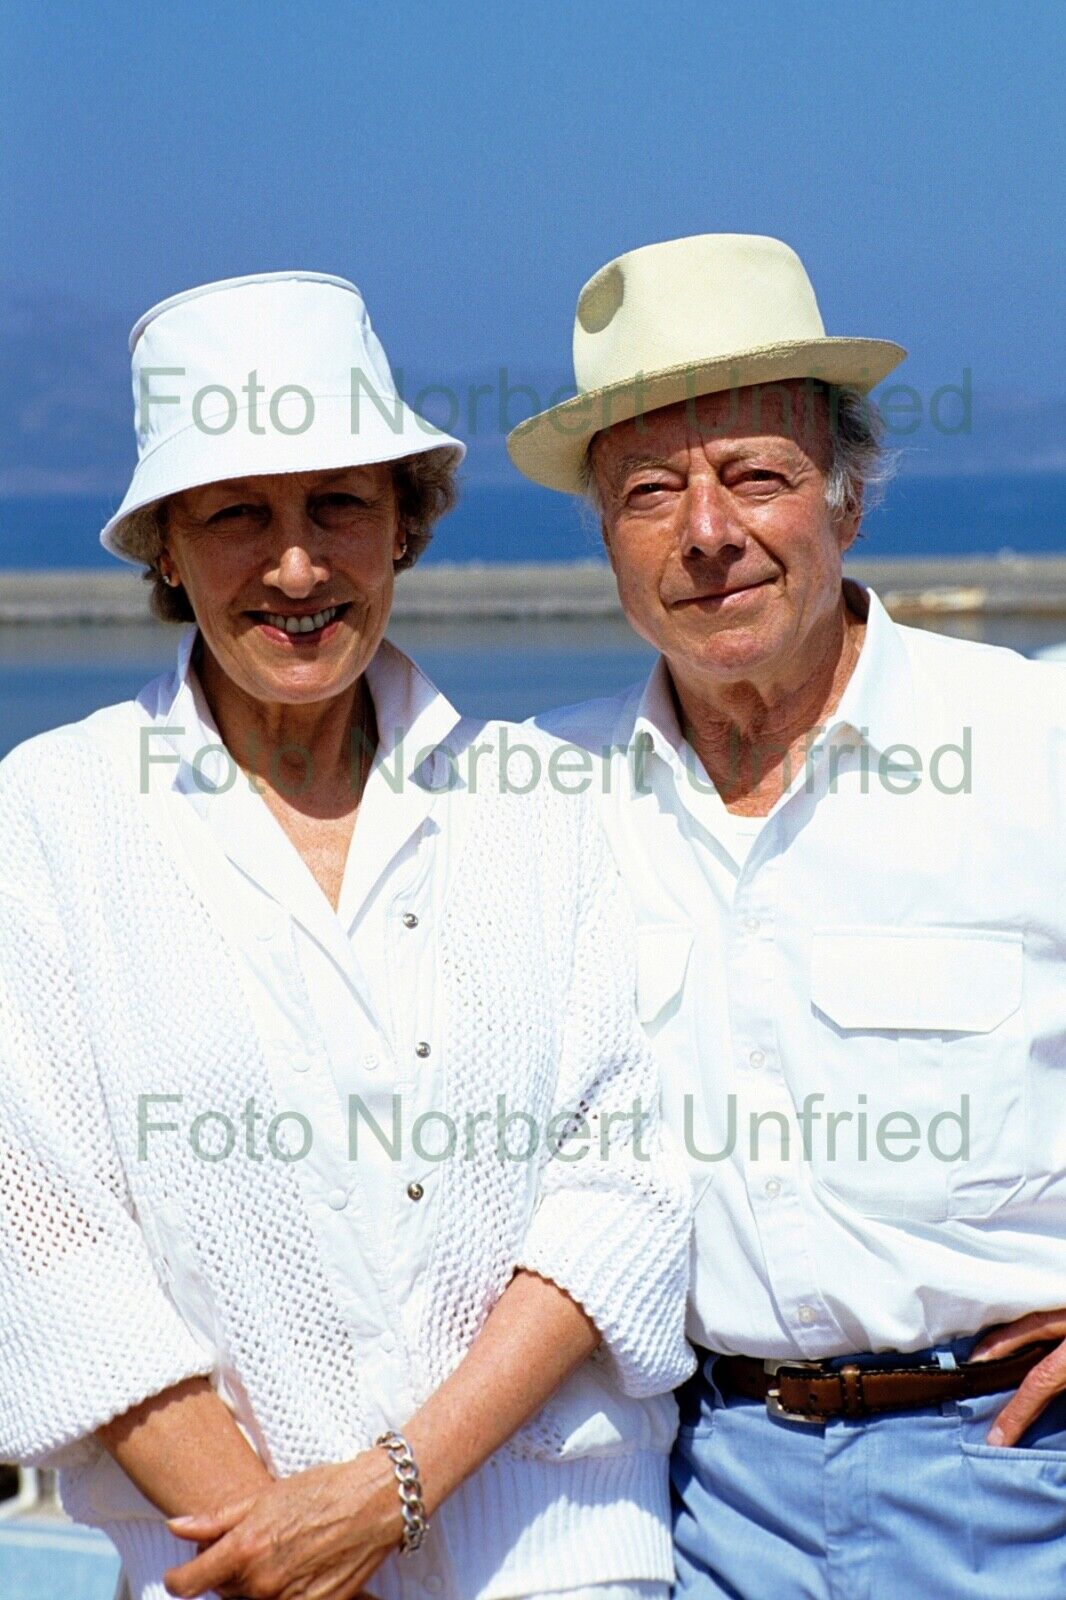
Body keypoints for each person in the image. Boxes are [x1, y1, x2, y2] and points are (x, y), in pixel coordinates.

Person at [0, 270, 695, 1600]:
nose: (299, 564)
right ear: (163, 545)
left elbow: (622, 1182)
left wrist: (387, 1497)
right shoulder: (54, 817)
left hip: (563, 1560)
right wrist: (280, 1547)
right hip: (224, 1574)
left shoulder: (537, 804)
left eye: (338, 506)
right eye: (236, 516)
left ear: (404, 523)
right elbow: (42, 1232)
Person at [511, 233, 1066, 1598]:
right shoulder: (529, 798)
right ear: (605, 540)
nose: (708, 534)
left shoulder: (1029, 741)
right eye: (651, 491)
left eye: (756, 476)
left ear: (846, 505)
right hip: (695, 1498)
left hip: (1023, 1472)